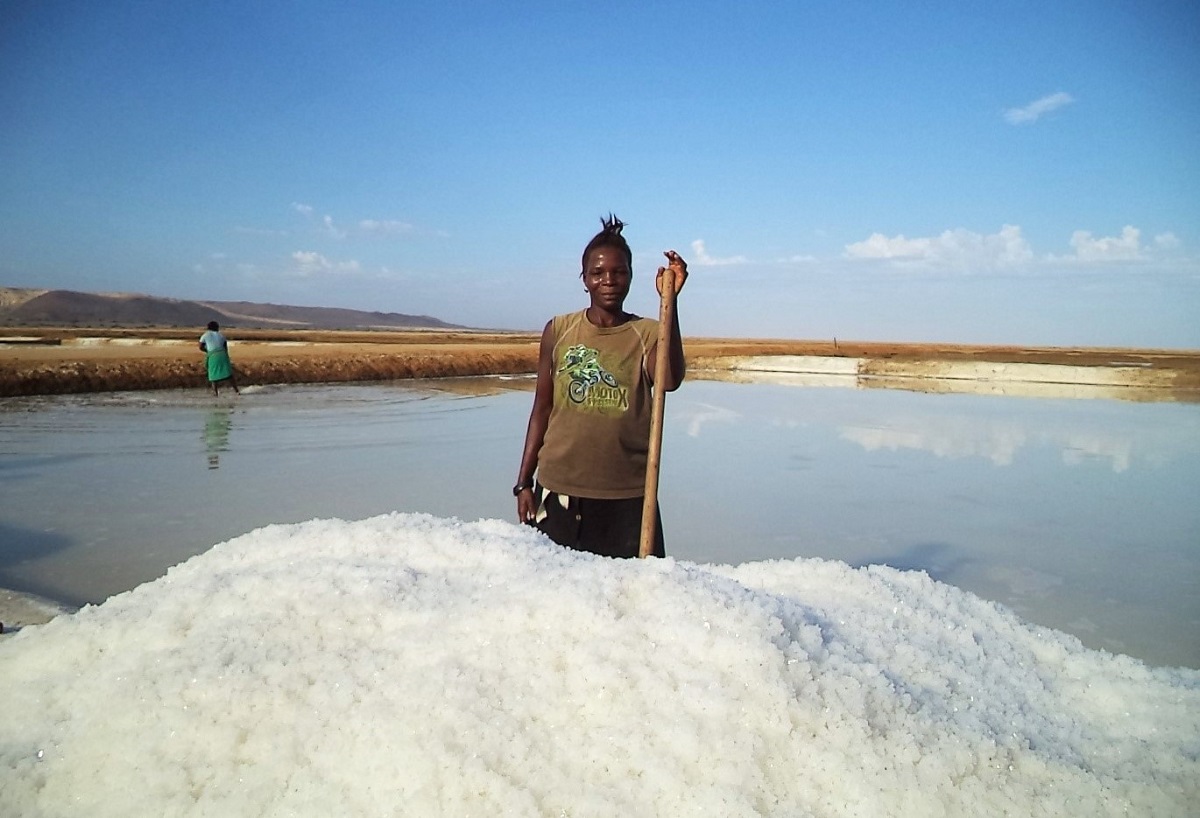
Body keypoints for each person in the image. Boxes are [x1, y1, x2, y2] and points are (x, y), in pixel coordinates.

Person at [515, 215, 688, 558]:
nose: (608, 280)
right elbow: (542, 408)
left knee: (631, 587)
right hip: (560, 490)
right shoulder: (559, 330)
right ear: (584, 279)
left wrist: (671, 303)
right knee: (562, 585)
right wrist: (524, 482)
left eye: (619, 272)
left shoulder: (648, 333)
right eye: (598, 273)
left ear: (631, 276)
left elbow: (669, 380)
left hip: (627, 496)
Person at [198, 321, 240, 396]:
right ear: (216, 328)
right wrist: (226, 358)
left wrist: (208, 351)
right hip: (222, 355)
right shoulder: (221, 335)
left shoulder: (205, 335)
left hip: (213, 356)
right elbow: (225, 348)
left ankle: (215, 393)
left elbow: (200, 347)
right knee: (228, 374)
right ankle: (237, 391)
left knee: (212, 374)